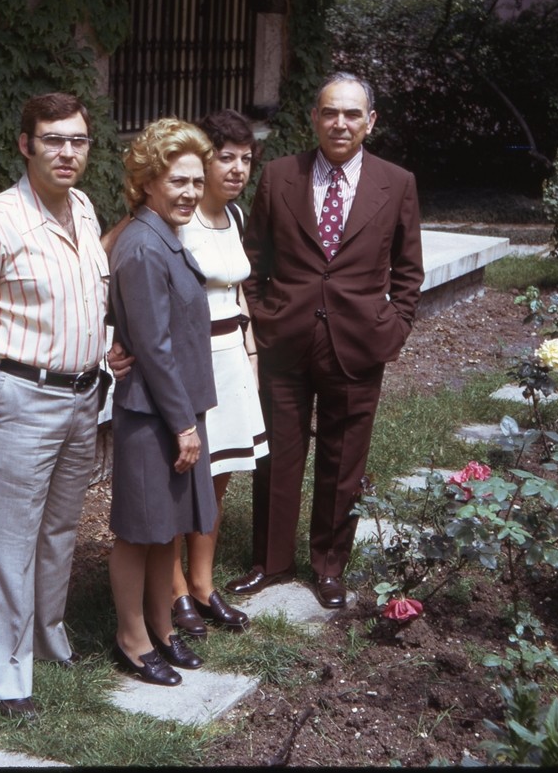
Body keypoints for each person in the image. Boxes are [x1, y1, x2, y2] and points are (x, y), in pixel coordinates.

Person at [0, 92, 118, 722]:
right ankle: (7, 676)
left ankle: (49, 636)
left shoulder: (86, 209)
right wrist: (21, 351)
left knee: (61, 529)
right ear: (25, 144)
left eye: (78, 140)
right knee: (11, 540)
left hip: (83, 396)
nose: (67, 152)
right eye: (53, 140)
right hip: (22, 397)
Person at [226, 72, 425, 610]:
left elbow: (409, 271)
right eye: (330, 112)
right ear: (314, 118)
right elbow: (253, 260)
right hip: (285, 339)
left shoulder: (397, 182)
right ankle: (270, 561)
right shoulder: (278, 176)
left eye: (352, 114)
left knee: (344, 462)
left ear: (370, 122)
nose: (340, 123)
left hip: (358, 343)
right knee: (278, 455)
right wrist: (263, 314)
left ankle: (329, 565)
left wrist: (395, 326)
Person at [107, 118, 218, 686]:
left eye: (197, 182)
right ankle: (131, 638)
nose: (190, 193)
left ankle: (161, 627)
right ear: (148, 181)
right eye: (178, 180)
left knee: (165, 528)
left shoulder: (162, 236)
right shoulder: (143, 246)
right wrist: (184, 426)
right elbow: (152, 346)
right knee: (138, 531)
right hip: (153, 415)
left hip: (173, 411)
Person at [166, 109, 268, 638]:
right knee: (185, 477)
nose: (236, 169)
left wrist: (251, 359)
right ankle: (175, 589)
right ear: (202, 160)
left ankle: (204, 585)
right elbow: (116, 260)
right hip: (189, 360)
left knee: (220, 476)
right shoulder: (175, 221)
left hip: (231, 355)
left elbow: (238, 294)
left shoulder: (236, 218)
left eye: (246, 159)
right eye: (225, 157)